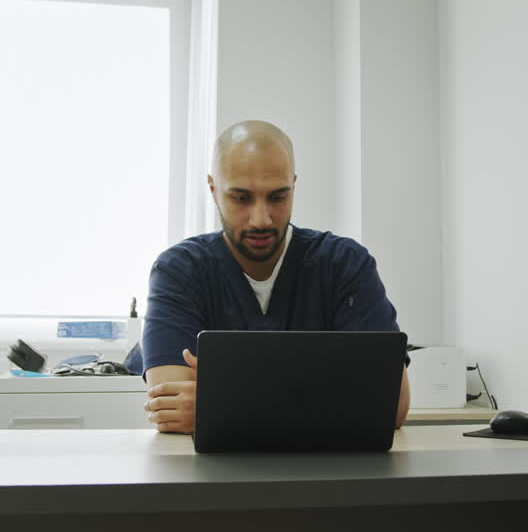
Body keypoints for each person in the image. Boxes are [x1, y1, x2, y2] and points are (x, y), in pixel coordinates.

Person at [138, 120, 410, 434]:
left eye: (278, 197)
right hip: (212, 479)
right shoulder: (180, 270)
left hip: (330, 476)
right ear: (213, 189)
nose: (261, 219)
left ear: (293, 186)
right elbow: (172, 408)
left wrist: (227, 402)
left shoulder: (344, 264)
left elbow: (391, 406)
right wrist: (325, 396)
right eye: (241, 198)